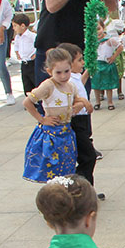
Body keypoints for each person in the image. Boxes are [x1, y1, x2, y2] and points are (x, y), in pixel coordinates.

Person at [33, 0, 118, 84]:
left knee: (80, 95)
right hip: (51, 46)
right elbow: (51, 6)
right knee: (49, 97)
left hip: (77, 49)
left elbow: (112, 7)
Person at [22, 47, 87, 183]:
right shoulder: (48, 86)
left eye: (67, 71)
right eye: (58, 72)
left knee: (67, 169)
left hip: (67, 133)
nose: (63, 76)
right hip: (51, 135)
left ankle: (66, 194)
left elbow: (76, 100)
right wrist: (42, 119)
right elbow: (27, 102)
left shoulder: (71, 86)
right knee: (52, 171)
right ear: (49, 71)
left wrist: (80, 105)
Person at [58, 44, 104, 197]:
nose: (82, 63)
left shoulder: (75, 76)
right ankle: (78, 187)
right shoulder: (66, 81)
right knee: (88, 157)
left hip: (84, 120)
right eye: (79, 60)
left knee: (87, 155)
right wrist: (81, 103)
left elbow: (81, 82)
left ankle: (83, 188)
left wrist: (89, 68)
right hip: (75, 122)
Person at [12, 12, 37, 95]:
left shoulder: (31, 36)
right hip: (24, 62)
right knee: (26, 83)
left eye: (15, 26)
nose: (14, 28)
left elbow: (37, 45)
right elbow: (16, 46)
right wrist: (17, 53)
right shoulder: (17, 37)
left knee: (35, 81)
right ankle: (29, 100)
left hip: (32, 62)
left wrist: (35, 54)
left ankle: (38, 100)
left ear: (22, 26)